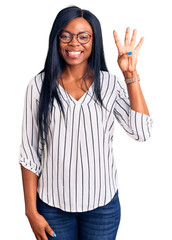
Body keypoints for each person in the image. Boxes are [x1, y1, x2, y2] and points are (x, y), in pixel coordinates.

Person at [18, 5, 153, 240]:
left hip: (102, 208)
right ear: (56, 38)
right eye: (66, 35)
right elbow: (29, 153)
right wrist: (31, 211)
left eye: (83, 37)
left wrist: (130, 74)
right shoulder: (38, 86)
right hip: (52, 207)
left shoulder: (109, 84)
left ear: (94, 41)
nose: (74, 43)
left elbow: (141, 132)